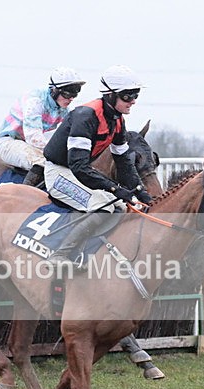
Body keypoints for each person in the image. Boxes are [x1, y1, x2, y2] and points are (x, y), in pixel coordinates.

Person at [43, 65, 153, 267]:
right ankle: (61, 255)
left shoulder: (117, 120)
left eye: (135, 94)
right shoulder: (85, 117)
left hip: (77, 171)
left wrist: (142, 192)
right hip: (58, 173)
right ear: (111, 96)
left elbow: (124, 164)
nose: (134, 100)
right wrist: (115, 188)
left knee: (121, 207)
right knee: (102, 208)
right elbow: (79, 167)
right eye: (128, 95)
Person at [0, 67, 86, 187]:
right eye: (67, 94)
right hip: (10, 143)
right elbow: (33, 138)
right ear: (54, 90)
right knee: (43, 163)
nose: (71, 98)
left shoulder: (62, 108)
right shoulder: (35, 101)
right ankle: (20, 194)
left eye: (75, 94)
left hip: (28, 145)